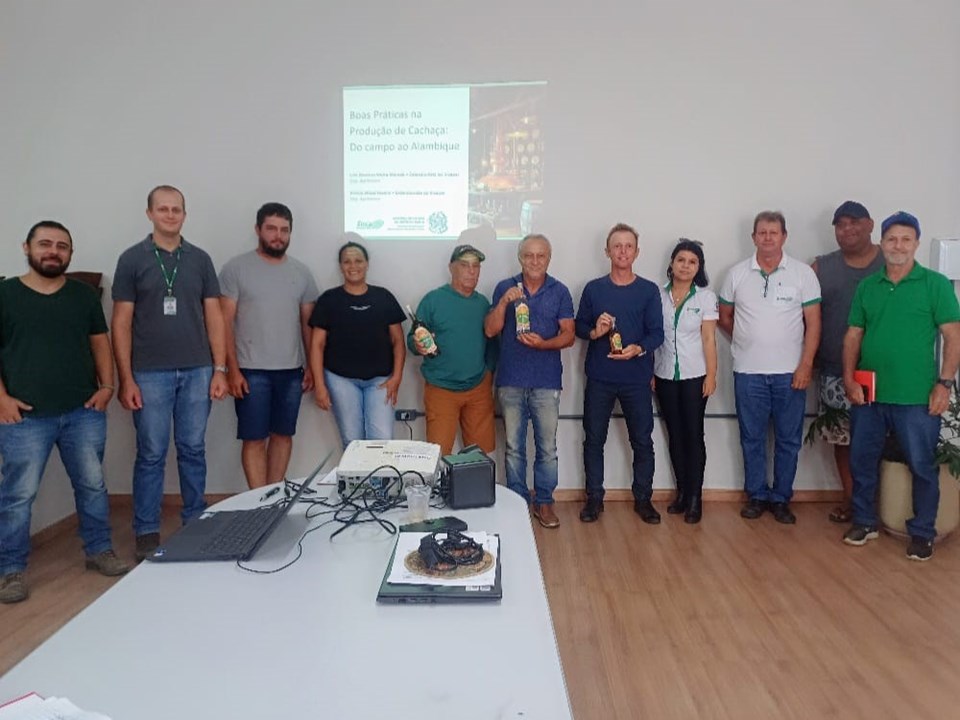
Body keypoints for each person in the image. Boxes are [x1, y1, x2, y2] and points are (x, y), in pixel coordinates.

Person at [0, 221, 130, 604]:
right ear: (26, 247)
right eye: (45, 244)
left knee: (92, 485)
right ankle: (10, 570)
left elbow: (100, 343)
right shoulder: (5, 294)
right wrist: (1, 398)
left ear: (70, 253)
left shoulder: (83, 296)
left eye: (62, 246)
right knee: (18, 495)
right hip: (24, 417)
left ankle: (99, 550)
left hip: (82, 411)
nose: (53, 251)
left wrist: (108, 387)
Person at [112, 185, 229, 561]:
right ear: (149, 213)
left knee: (193, 449)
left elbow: (214, 316)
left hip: (198, 370)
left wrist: (220, 369)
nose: (170, 215)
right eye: (162, 209)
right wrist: (126, 378)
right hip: (149, 374)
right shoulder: (132, 259)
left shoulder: (200, 259)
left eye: (176, 209)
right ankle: (146, 531)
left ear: (184, 214)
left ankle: (194, 522)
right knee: (151, 453)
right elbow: (121, 323)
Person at [842, 211, 960, 561]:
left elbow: (953, 336)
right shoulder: (868, 287)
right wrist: (849, 378)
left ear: (916, 244)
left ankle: (922, 533)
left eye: (906, 239)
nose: (898, 245)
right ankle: (865, 521)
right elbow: (853, 336)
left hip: (917, 397)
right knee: (862, 462)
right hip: (869, 394)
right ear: (881, 243)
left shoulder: (935, 284)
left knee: (922, 466)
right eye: (892, 239)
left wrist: (944, 384)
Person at [718, 211, 821, 524]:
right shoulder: (736, 274)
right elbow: (724, 317)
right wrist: (746, 340)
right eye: (762, 232)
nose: (767, 238)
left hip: (791, 373)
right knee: (752, 438)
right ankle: (757, 495)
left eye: (773, 232)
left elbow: (814, 324)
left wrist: (806, 365)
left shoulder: (802, 274)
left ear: (784, 236)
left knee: (788, 440)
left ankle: (781, 498)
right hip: (748, 373)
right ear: (753, 237)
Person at [219, 203, 318, 489]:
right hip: (250, 371)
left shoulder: (301, 272)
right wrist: (231, 370)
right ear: (258, 230)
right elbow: (224, 323)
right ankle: (257, 500)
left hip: (291, 371)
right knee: (253, 438)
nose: (278, 236)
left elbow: (308, 325)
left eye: (284, 230)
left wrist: (311, 367)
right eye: (272, 229)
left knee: (283, 435)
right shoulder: (236, 269)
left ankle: (274, 498)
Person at [575, 223, 664, 524]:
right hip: (600, 378)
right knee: (593, 440)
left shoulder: (648, 290)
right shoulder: (593, 289)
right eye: (617, 246)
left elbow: (657, 333)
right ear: (607, 251)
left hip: (636, 379)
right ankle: (594, 499)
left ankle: (644, 499)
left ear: (637, 252)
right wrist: (595, 331)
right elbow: (579, 327)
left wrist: (638, 348)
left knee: (642, 441)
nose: (623, 251)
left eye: (628, 246)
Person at [485, 234, 575, 528]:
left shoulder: (559, 291)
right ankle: (517, 503)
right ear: (520, 258)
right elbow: (490, 330)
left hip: (547, 382)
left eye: (541, 255)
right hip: (511, 380)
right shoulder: (505, 287)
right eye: (529, 255)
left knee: (547, 448)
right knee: (513, 448)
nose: (535, 261)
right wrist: (503, 303)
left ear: (549, 258)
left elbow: (569, 335)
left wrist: (544, 344)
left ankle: (545, 502)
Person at [812, 201, 884, 523]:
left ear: (870, 225)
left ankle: (884, 505)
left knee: (884, 441)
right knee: (842, 440)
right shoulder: (821, 268)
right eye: (840, 224)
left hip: (884, 372)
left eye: (854, 222)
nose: (847, 229)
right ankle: (852, 501)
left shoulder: (891, 262)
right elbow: (803, 318)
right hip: (835, 371)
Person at [309, 237, 405, 446]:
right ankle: (356, 471)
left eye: (358, 261)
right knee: (352, 441)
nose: (353, 266)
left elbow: (398, 341)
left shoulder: (384, 297)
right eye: (347, 261)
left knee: (382, 440)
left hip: (381, 380)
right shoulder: (328, 300)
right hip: (340, 379)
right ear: (341, 266)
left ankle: (379, 471)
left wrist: (397, 377)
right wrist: (320, 385)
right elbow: (317, 345)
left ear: (367, 264)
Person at [408, 241, 495, 456]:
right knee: (438, 455)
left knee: (480, 456)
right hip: (441, 389)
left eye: (476, 266)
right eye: (465, 265)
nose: (471, 271)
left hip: (477, 389)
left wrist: (488, 374)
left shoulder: (483, 304)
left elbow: (493, 343)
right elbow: (412, 340)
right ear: (451, 268)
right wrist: (418, 345)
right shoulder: (433, 301)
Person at [653, 239, 718, 524]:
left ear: (699, 267)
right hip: (664, 374)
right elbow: (654, 337)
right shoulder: (657, 295)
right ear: (672, 263)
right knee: (675, 436)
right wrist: (650, 372)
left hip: (695, 376)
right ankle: (681, 493)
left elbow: (709, 339)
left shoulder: (705, 298)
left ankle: (695, 498)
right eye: (681, 260)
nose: (686, 266)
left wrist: (712, 375)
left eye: (692, 262)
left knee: (693, 435)